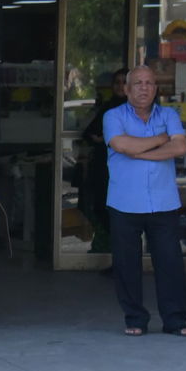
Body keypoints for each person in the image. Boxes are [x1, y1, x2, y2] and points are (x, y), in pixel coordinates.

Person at [103, 65, 186, 337]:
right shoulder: (113, 116)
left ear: (156, 89)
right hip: (124, 202)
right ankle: (135, 319)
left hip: (163, 202)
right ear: (126, 89)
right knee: (126, 265)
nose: (144, 88)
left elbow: (179, 147)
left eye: (149, 83)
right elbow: (121, 146)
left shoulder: (169, 114)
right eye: (138, 83)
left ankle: (176, 321)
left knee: (170, 264)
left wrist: (138, 151)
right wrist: (159, 140)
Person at [80, 68, 127, 257]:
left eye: (125, 82)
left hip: (125, 169)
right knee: (101, 208)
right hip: (104, 167)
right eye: (117, 82)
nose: (120, 86)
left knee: (121, 215)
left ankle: (124, 260)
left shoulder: (137, 108)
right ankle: (117, 257)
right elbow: (90, 133)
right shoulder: (108, 107)